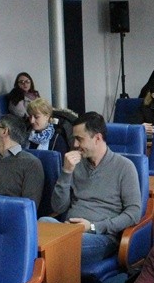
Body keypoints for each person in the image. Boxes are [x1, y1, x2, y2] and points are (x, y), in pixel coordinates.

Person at [47, 112, 142, 266]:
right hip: (68, 230)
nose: (75, 144)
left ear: (97, 138)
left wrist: (92, 227)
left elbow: (134, 213)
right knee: (41, 225)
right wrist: (66, 172)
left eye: (79, 139)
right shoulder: (76, 164)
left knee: (64, 244)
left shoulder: (124, 167)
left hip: (101, 236)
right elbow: (58, 207)